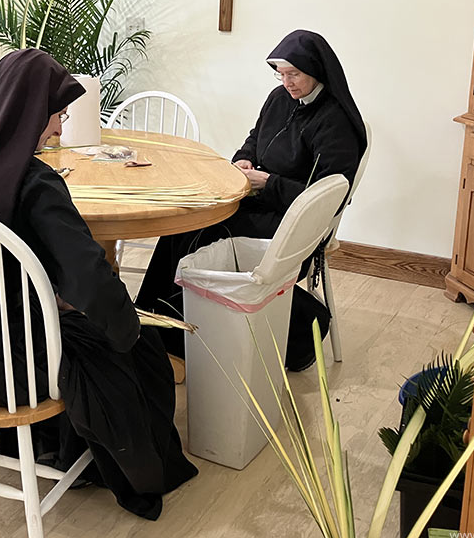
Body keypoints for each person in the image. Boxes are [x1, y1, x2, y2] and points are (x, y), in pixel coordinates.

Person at [0, 48, 197, 520]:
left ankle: (50, 443)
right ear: (29, 113)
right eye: (57, 115)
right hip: (5, 361)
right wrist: (127, 327)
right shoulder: (35, 183)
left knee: (76, 319)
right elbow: (89, 278)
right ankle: (109, 466)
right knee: (136, 347)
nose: (60, 129)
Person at [134, 29, 367, 357]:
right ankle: (149, 322)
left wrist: (267, 182)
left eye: (294, 74)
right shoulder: (278, 99)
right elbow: (255, 138)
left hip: (289, 221)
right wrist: (243, 160)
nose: (287, 83)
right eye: (281, 74)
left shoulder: (334, 123)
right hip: (259, 201)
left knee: (207, 231)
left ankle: (177, 335)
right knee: (183, 224)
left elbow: (324, 199)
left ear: (316, 70)